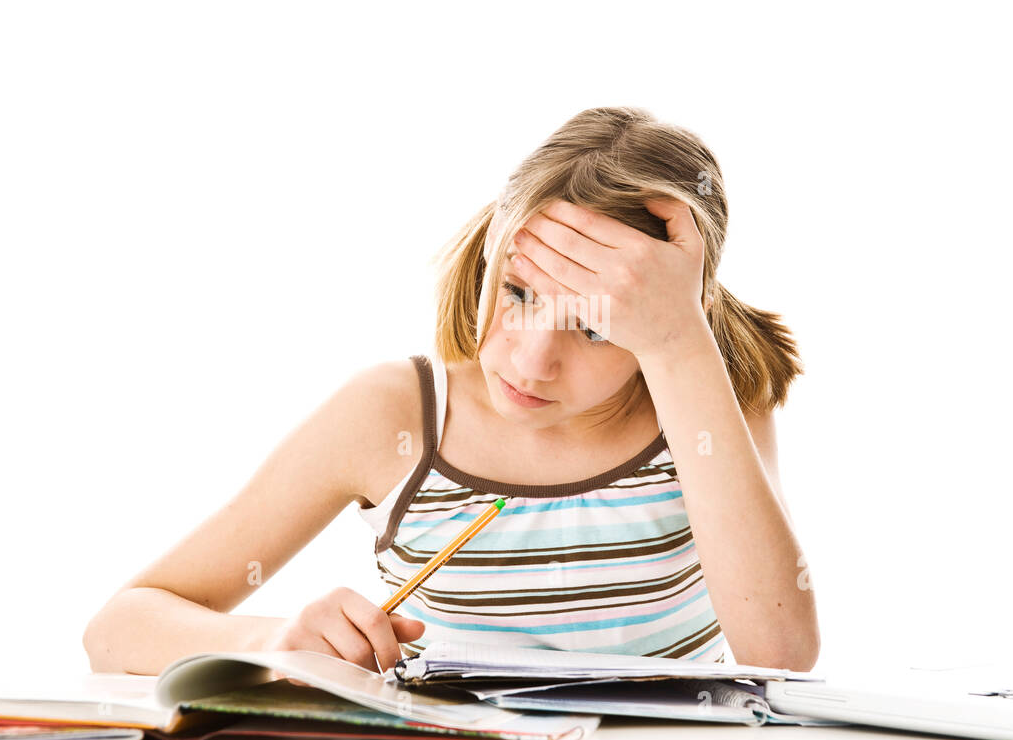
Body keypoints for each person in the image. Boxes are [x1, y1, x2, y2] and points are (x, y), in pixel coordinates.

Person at [83, 106, 819, 676]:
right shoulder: (396, 415)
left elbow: (780, 654)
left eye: (597, 328)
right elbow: (118, 629)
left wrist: (682, 347)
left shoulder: (710, 398)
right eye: (519, 291)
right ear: (491, 250)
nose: (532, 360)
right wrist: (272, 642)